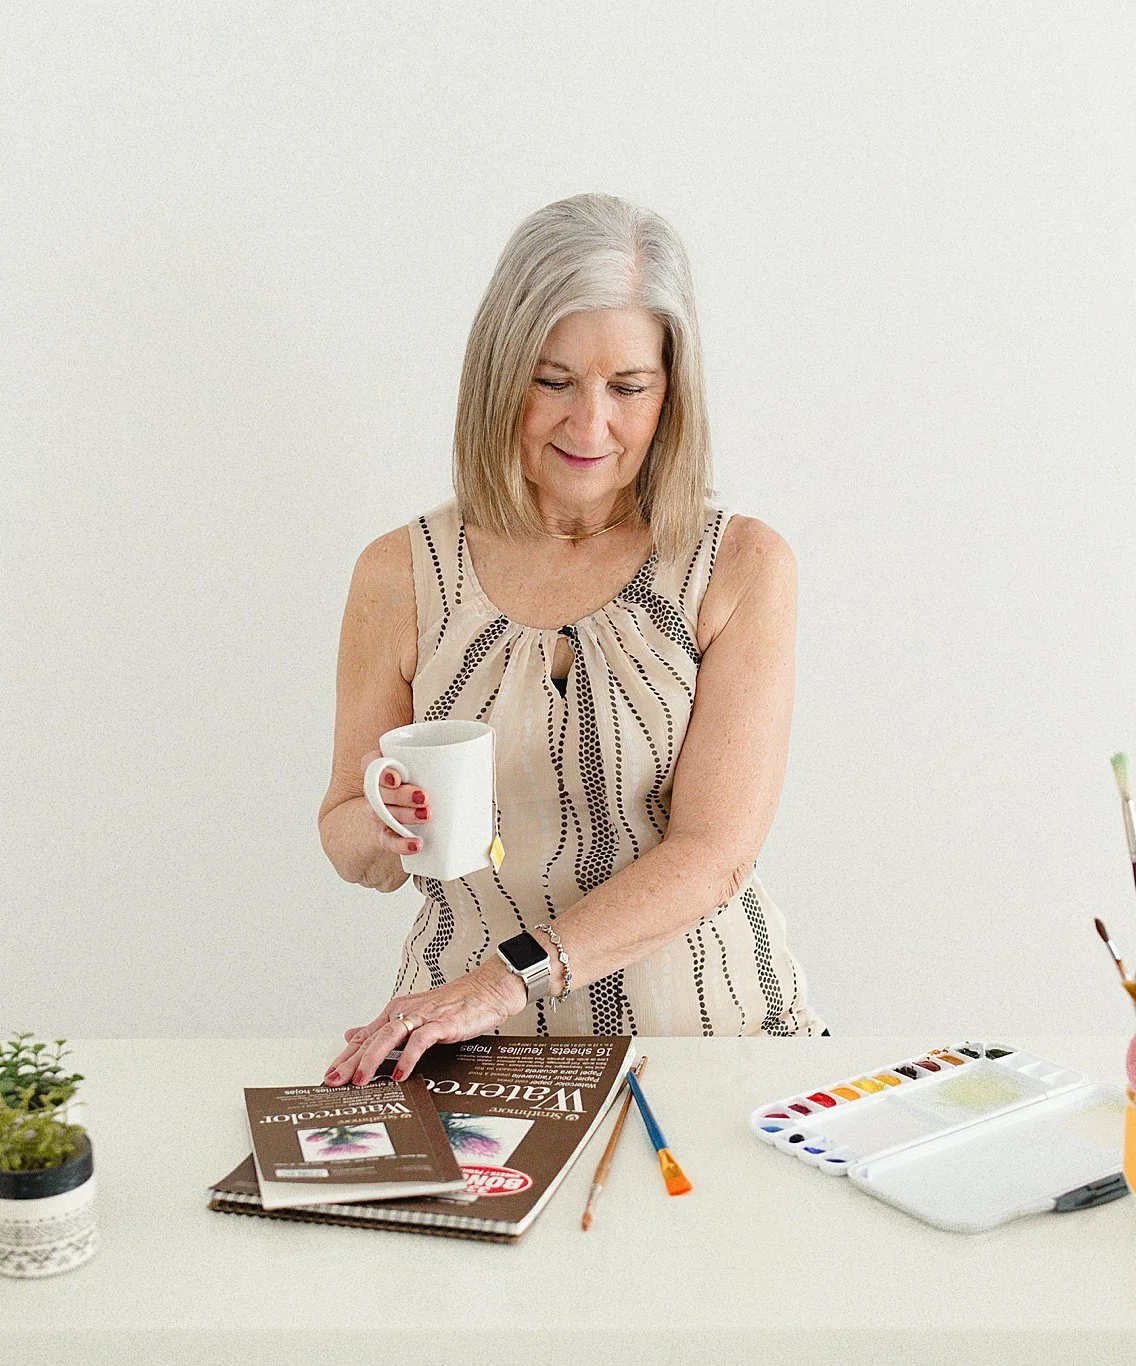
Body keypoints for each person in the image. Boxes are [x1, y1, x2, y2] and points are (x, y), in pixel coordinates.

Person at [317, 193, 823, 1088]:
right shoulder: (398, 574)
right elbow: (346, 834)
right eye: (553, 382)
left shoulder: (739, 567)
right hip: (458, 1049)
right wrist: (388, 822)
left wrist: (501, 980)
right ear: (500, 376)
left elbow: (715, 853)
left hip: (707, 1046)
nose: (590, 426)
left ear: (672, 393)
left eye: (628, 387)